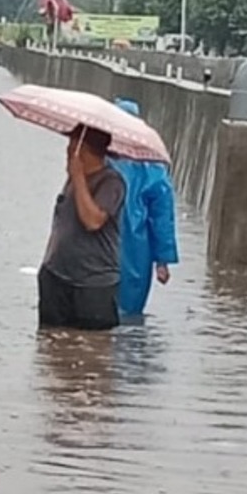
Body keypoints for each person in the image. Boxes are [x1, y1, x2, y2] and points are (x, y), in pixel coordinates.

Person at [38, 125, 127, 331]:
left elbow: (93, 221)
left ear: (83, 151)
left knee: (92, 352)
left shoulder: (112, 182)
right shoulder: (72, 180)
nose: (67, 152)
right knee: (53, 346)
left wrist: (78, 177)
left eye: (72, 146)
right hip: (56, 278)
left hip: (93, 284)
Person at [108, 98, 179, 317]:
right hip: (137, 250)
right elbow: (161, 218)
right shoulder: (152, 167)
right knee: (129, 311)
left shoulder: (98, 159)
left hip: (101, 243)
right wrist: (162, 260)